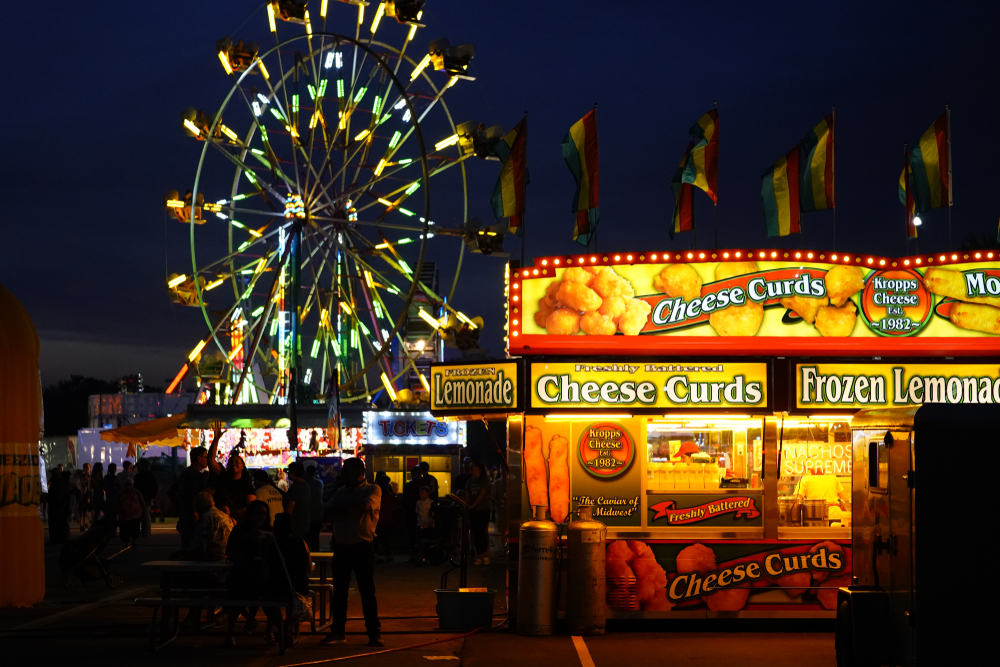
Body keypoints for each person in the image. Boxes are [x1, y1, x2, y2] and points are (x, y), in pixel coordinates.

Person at [321, 458, 382, 647]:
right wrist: (351, 511)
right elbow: (327, 512)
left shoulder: (373, 489)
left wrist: (342, 512)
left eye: (346, 471)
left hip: (362, 546)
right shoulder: (341, 491)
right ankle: (338, 631)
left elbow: (361, 508)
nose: (342, 474)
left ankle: (373, 633)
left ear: (358, 472)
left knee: (367, 591)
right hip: (341, 547)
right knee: (339, 592)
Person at [225, 500, 272, 646]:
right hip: (242, 572)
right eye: (257, 513)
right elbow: (229, 552)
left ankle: (266, 629)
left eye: (263, 514)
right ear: (250, 514)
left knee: (270, 592)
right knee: (237, 592)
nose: (260, 517)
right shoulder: (240, 530)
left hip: (262, 575)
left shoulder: (269, 531)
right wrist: (247, 539)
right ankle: (231, 632)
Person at [263, 513, 311, 647]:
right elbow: (308, 567)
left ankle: (279, 626)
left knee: (267, 601)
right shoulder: (301, 542)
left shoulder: (271, 545)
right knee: (293, 600)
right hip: (299, 587)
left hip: (277, 587)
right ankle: (289, 625)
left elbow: (265, 571)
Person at [174, 440, 211, 549]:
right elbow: (195, 496)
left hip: (185, 514)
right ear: (199, 459)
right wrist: (193, 510)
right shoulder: (197, 476)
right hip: (193, 515)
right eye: (206, 457)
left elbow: (172, 491)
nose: (208, 460)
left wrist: (180, 507)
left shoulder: (185, 472)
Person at [188, 491, 234, 562]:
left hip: (212, 560)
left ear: (200, 507)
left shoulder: (205, 518)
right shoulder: (226, 517)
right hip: (227, 559)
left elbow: (198, 546)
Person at [465, 462, 492, 566]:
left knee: (481, 531)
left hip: (483, 509)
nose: (472, 468)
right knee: (475, 533)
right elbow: (467, 494)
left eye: (474, 467)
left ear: (479, 469)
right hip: (473, 511)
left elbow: (482, 494)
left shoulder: (484, 480)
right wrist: (466, 503)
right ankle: (479, 555)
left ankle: (484, 555)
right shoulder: (470, 481)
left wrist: (473, 504)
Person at [283, 462, 311, 540]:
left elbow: (291, 504)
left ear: (293, 473)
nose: (288, 474)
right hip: (304, 522)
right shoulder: (305, 485)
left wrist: (285, 517)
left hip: (296, 524)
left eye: (288, 472)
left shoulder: (295, 486)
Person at [133, 459, 159, 538]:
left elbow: (135, 487)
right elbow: (155, 487)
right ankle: (147, 531)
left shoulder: (138, 476)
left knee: (142, 515)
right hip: (148, 497)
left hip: (140, 498)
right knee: (147, 514)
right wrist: (152, 497)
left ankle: (144, 531)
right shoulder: (151, 476)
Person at [373, 474, 395, 563]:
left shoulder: (375, 493)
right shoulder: (388, 494)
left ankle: (375, 556)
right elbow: (392, 507)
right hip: (386, 519)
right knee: (385, 539)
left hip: (376, 519)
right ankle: (387, 556)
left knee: (376, 539)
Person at [118, 477, 144, 546]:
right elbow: (118, 502)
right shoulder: (122, 493)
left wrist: (142, 510)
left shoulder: (136, 492)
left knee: (135, 529)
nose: (127, 486)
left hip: (135, 515)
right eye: (126, 484)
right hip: (124, 515)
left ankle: (133, 540)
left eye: (128, 484)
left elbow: (141, 501)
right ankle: (127, 542)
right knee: (125, 529)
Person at [305, 465, 324, 551]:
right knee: (315, 537)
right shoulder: (319, 483)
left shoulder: (305, 484)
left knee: (306, 536)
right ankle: (316, 553)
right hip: (318, 513)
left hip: (307, 514)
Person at [77, 463, 92, 531]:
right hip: (81, 493)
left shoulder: (90, 476)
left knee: (85, 509)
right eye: (85, 468)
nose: (86, 469)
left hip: (87, 493)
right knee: (81, 509)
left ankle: (85, 522)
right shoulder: (82, 475)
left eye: (87, 468)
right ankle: (81, 524)